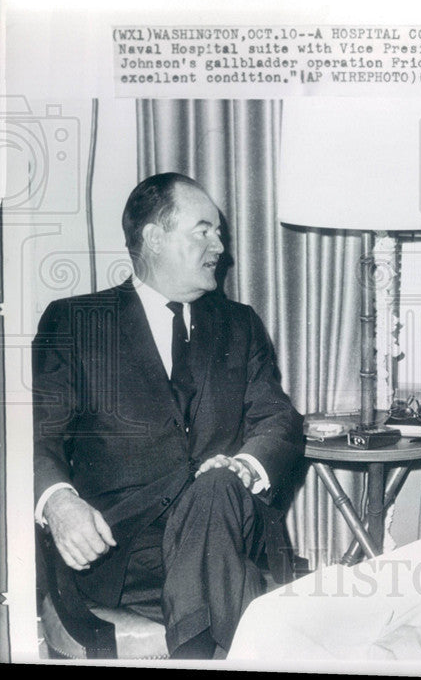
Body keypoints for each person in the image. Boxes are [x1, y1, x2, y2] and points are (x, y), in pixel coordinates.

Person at [33, 172, 304, 658]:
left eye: (218, 232)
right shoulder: (75, 323)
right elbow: (38, 435)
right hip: (124, 556)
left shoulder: (239, 325)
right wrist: (59, 502)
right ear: (154, 239)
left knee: (218, 485)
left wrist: (243, 466)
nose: (220, 245)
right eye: (204, 230)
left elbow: (278, 421)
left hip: (228, 535)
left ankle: (194, 651)